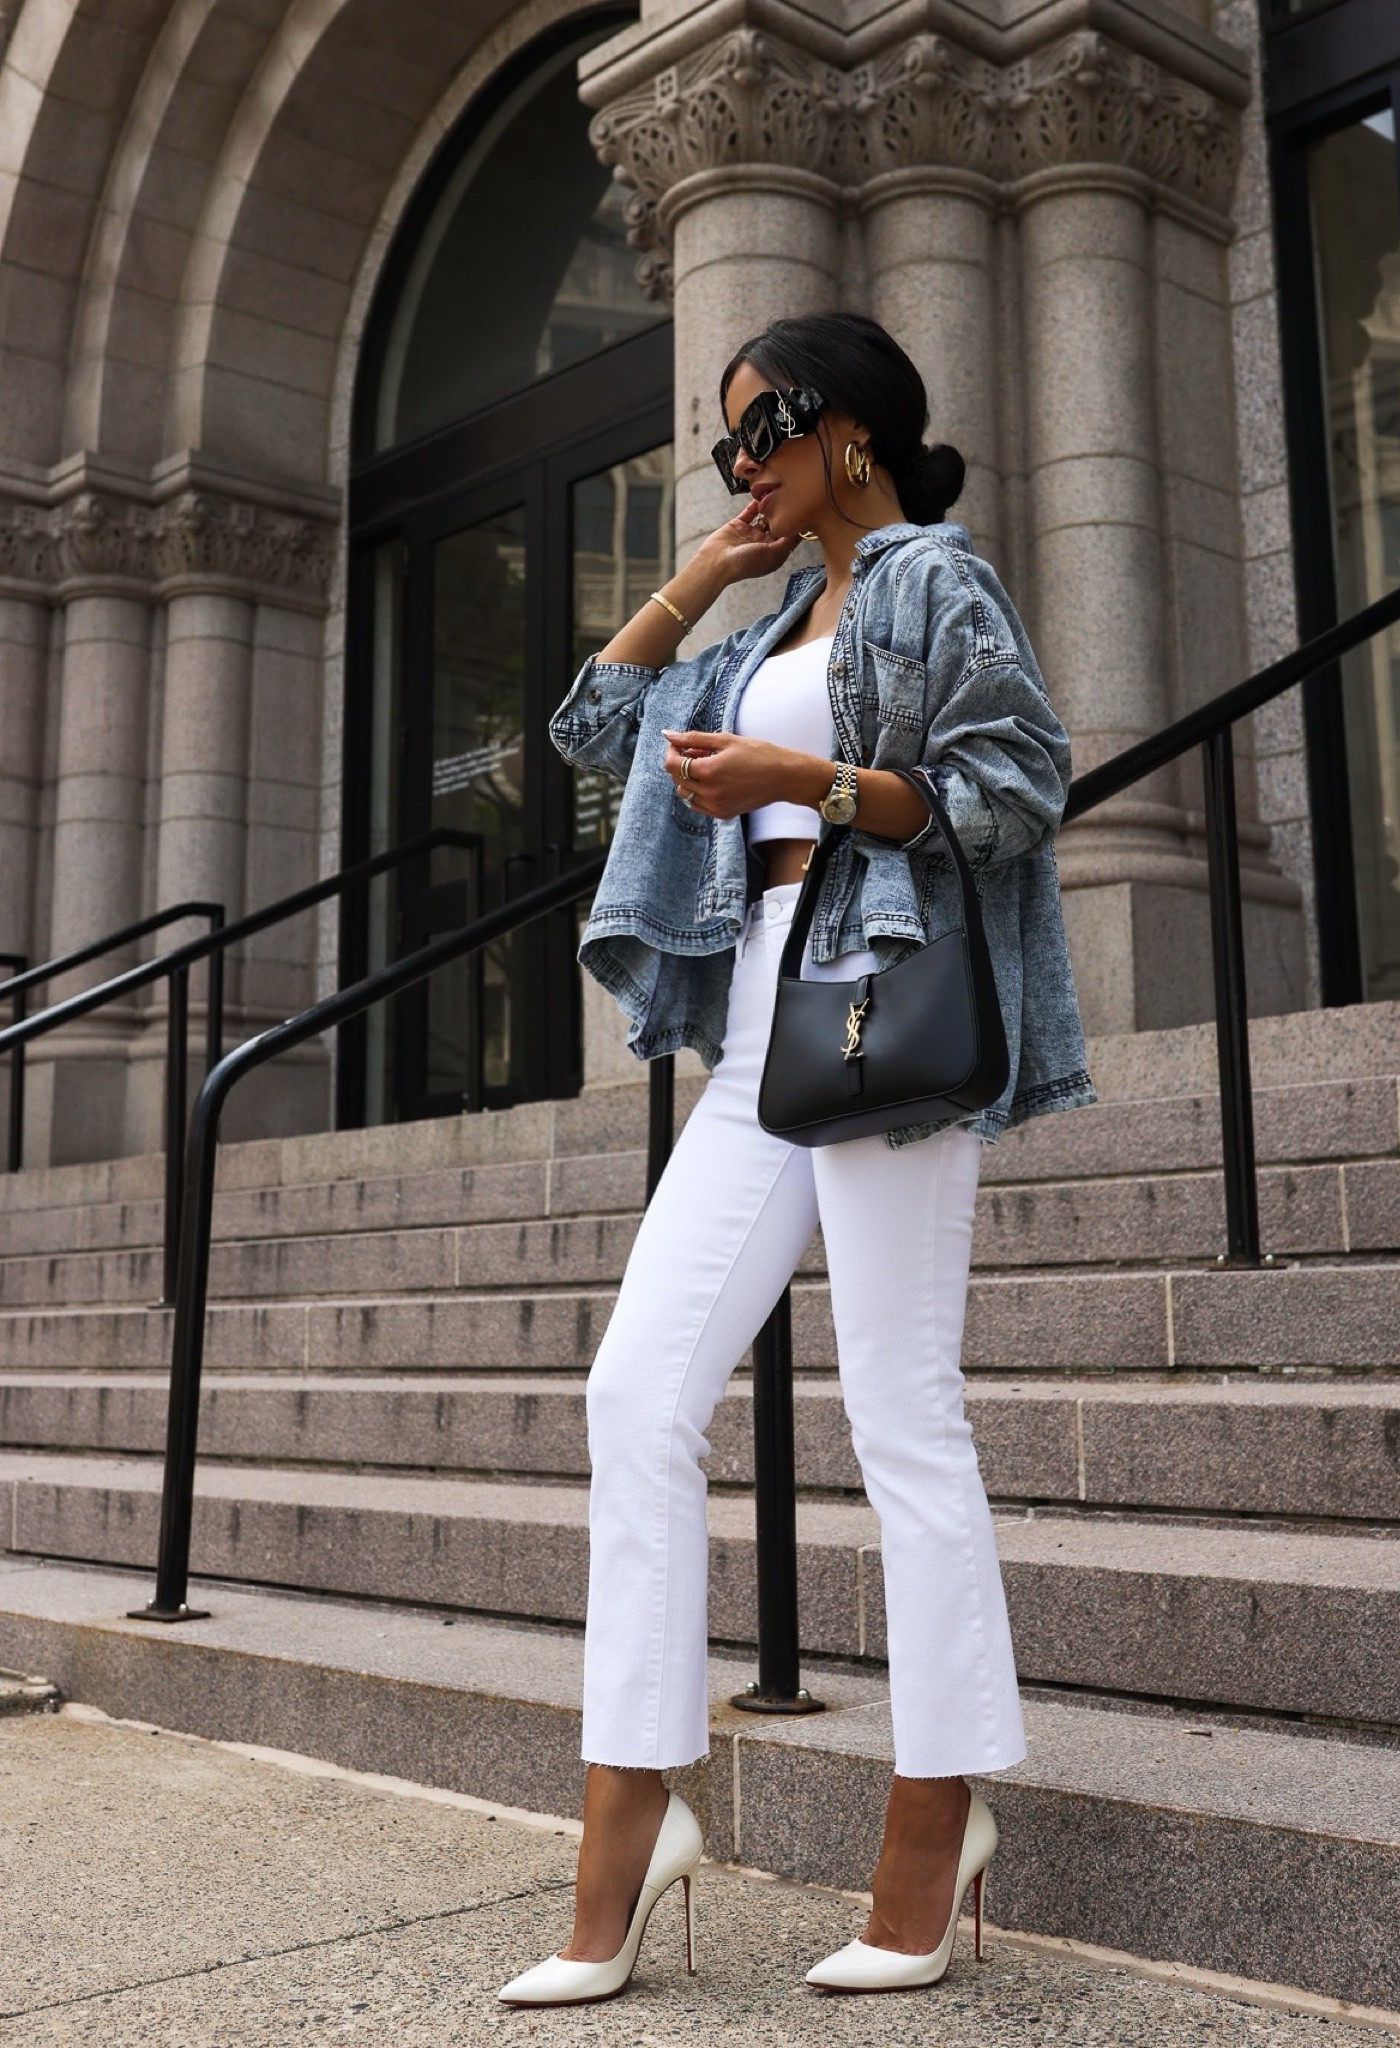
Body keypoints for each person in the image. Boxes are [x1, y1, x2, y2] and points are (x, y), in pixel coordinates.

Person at [498, 312, 1095, 2006]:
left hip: (880, 1000)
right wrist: (699, 573)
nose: (743, 463)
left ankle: (933, 1819)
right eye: (724, 443)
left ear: (855, 430)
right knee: (635, 1395)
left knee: (899, 1407)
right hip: (758, 1018)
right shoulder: (763, 618)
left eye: (764, 429)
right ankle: (631, 1820)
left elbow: (1016, 787)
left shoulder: (933, 579)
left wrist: (810, 783)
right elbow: (590, 734)